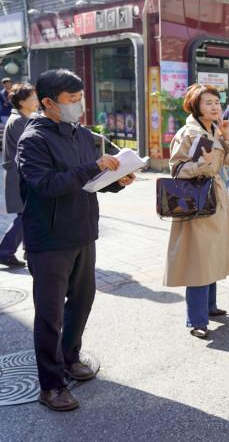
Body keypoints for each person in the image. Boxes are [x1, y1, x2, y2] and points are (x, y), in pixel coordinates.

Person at [17, 70, 135, 411]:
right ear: (49, 102)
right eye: (72, 101)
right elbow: (47, 185)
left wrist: (115, 179)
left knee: (82, 301)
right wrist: (91, 169)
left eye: (80, 98)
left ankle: (70, 358)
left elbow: (91, 177)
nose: (79, 106)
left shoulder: (81, 134)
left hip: (83, 231)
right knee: (49, 314)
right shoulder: (33, 140)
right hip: (50, 238)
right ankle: (50, 385)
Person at [165, 84, 229, 338]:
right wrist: (201, 164)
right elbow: (175, 170)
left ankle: (209, 307)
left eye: (217, 103)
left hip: (215, 200)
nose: (215, 107)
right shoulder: (187, 133)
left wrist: (226, 136)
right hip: (196, 202)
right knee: (198, 260)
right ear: (195, 105)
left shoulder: (214, 129)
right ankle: (196, 320)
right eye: (208, 102)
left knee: (211, 255)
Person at [1, 83, 39, 267]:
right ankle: (4, 251)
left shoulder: (25, 118)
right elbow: (28, 150)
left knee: (28, 214)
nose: (37, 101)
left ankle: (27, 251)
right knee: (25, 215)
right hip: (19, 176)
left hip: (22, 174)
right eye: (34, 98)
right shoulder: (18, 122)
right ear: (22, 101)